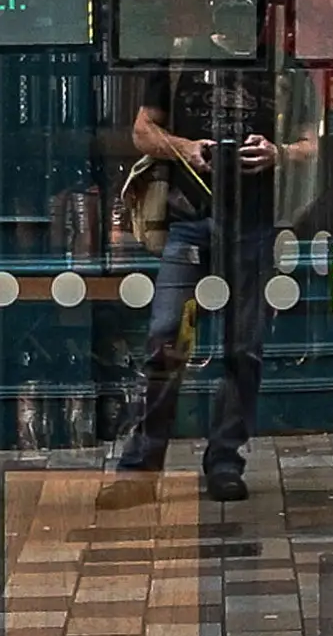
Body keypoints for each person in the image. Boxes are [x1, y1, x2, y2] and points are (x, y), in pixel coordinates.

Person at [112, 58, 288, 498]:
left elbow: (315, 142)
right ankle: (142, 463)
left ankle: (225, 460)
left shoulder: (279, 67)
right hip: (189, 219)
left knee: (243, 346)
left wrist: (278, 153)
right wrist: (186, 148)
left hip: (254, 222)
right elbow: (141, 132)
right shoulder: (176, 63)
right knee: (165, 338)